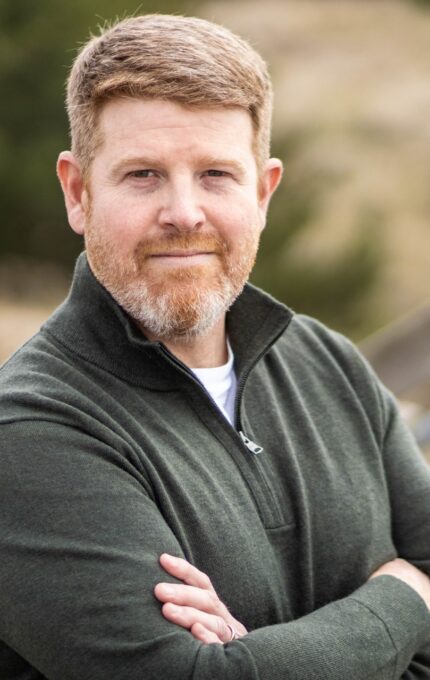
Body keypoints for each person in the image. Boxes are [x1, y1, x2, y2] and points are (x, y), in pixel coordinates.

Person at [0, 13, 429, 679]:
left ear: (263, 192)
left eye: (215, 175)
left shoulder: (330, 365)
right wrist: (403, 599)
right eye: (143, 174)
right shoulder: (31, 433)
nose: (183, 213)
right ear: (78, 192)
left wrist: (253, 655)